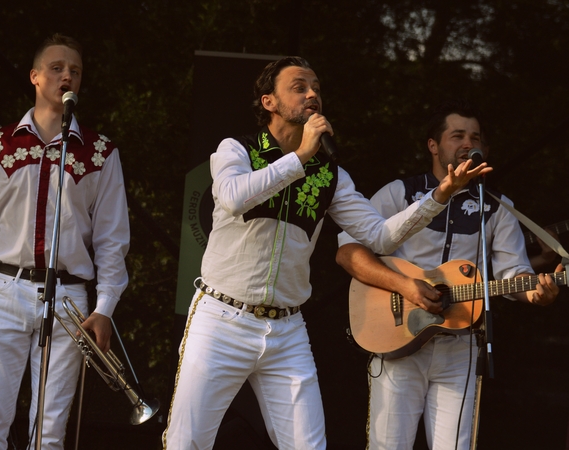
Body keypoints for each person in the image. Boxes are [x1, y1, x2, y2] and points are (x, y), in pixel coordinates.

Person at [162, 58, 489, 450]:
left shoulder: (330, 174)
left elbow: (380, 237)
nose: (312, 94)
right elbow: (233, 197)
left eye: (316, 87)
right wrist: (300, 156)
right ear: (269, 101)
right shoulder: (237, 149)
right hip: (222, 319)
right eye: (299, 87)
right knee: (186, 442)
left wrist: (440, 195)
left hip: (287, 329)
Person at [335, 99, 562, 450]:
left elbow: (513, 272)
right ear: (434, 145)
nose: (468, 143)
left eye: (476, 137)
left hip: (461, 348)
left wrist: (536, 293)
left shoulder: (497, 207)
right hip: (398, 341)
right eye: (458, 136)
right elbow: (348, 252)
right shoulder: (400, 193)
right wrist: (405, 286)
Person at [0, 34, 130, 449]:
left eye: (75, 71)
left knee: (49, 433)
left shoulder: (100, 153)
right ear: (34, 76)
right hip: (4, 290)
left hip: (69, 298)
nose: (67, 76)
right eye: (57, 68)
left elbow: (112, 238)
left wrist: (105, 307)